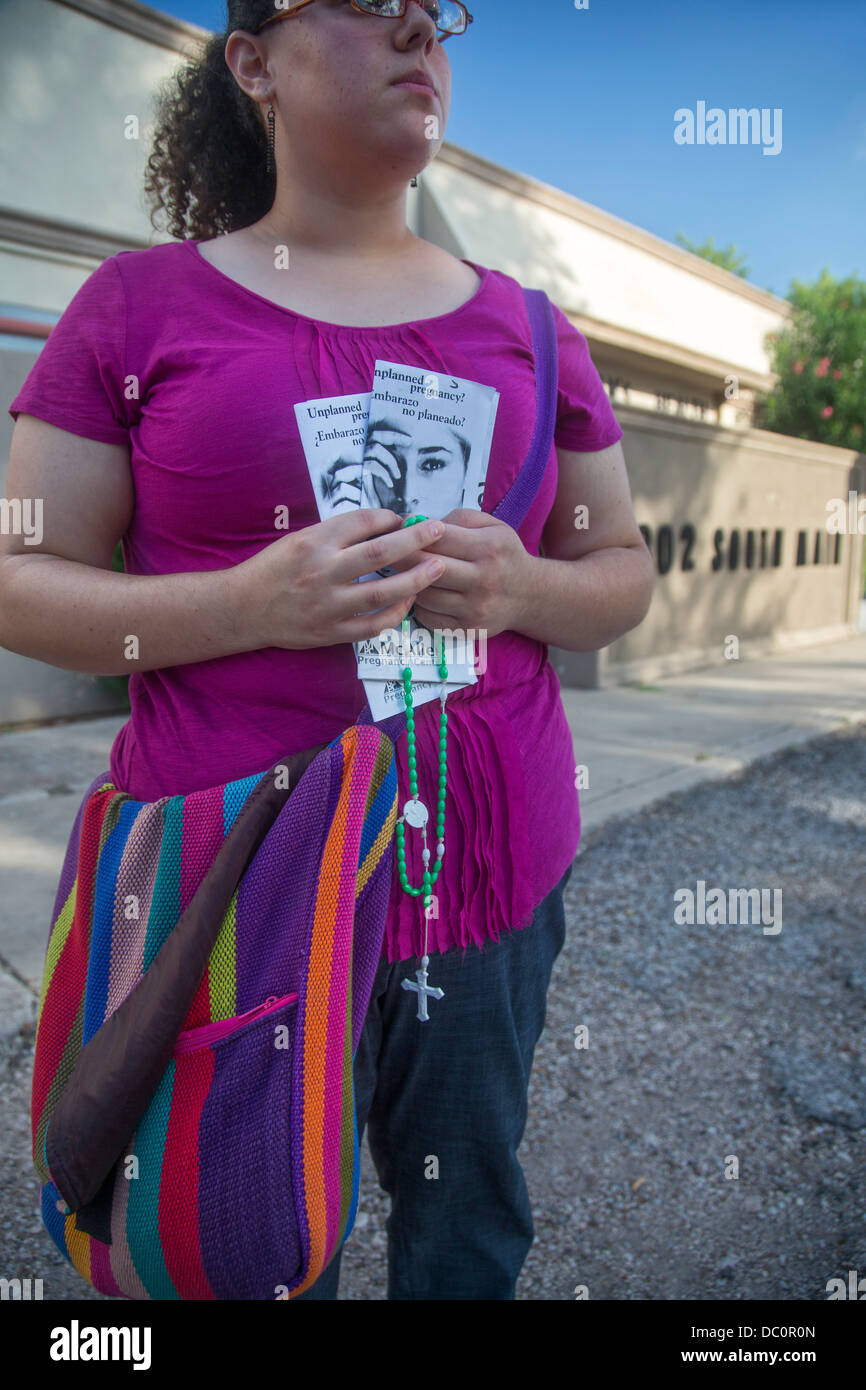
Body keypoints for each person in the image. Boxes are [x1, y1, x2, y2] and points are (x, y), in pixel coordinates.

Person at [1, 0, 655, 1300]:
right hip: (231, 887)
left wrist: (521, 582)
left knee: (465, 1226)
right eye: (369, 1)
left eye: (438, 13)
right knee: (228, 1237)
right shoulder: (135, 306)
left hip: (481, 884)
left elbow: (620, 578)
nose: (419, 26)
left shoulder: (533, 329)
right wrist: (245, 606)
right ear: (252, 63)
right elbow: (18, 578)